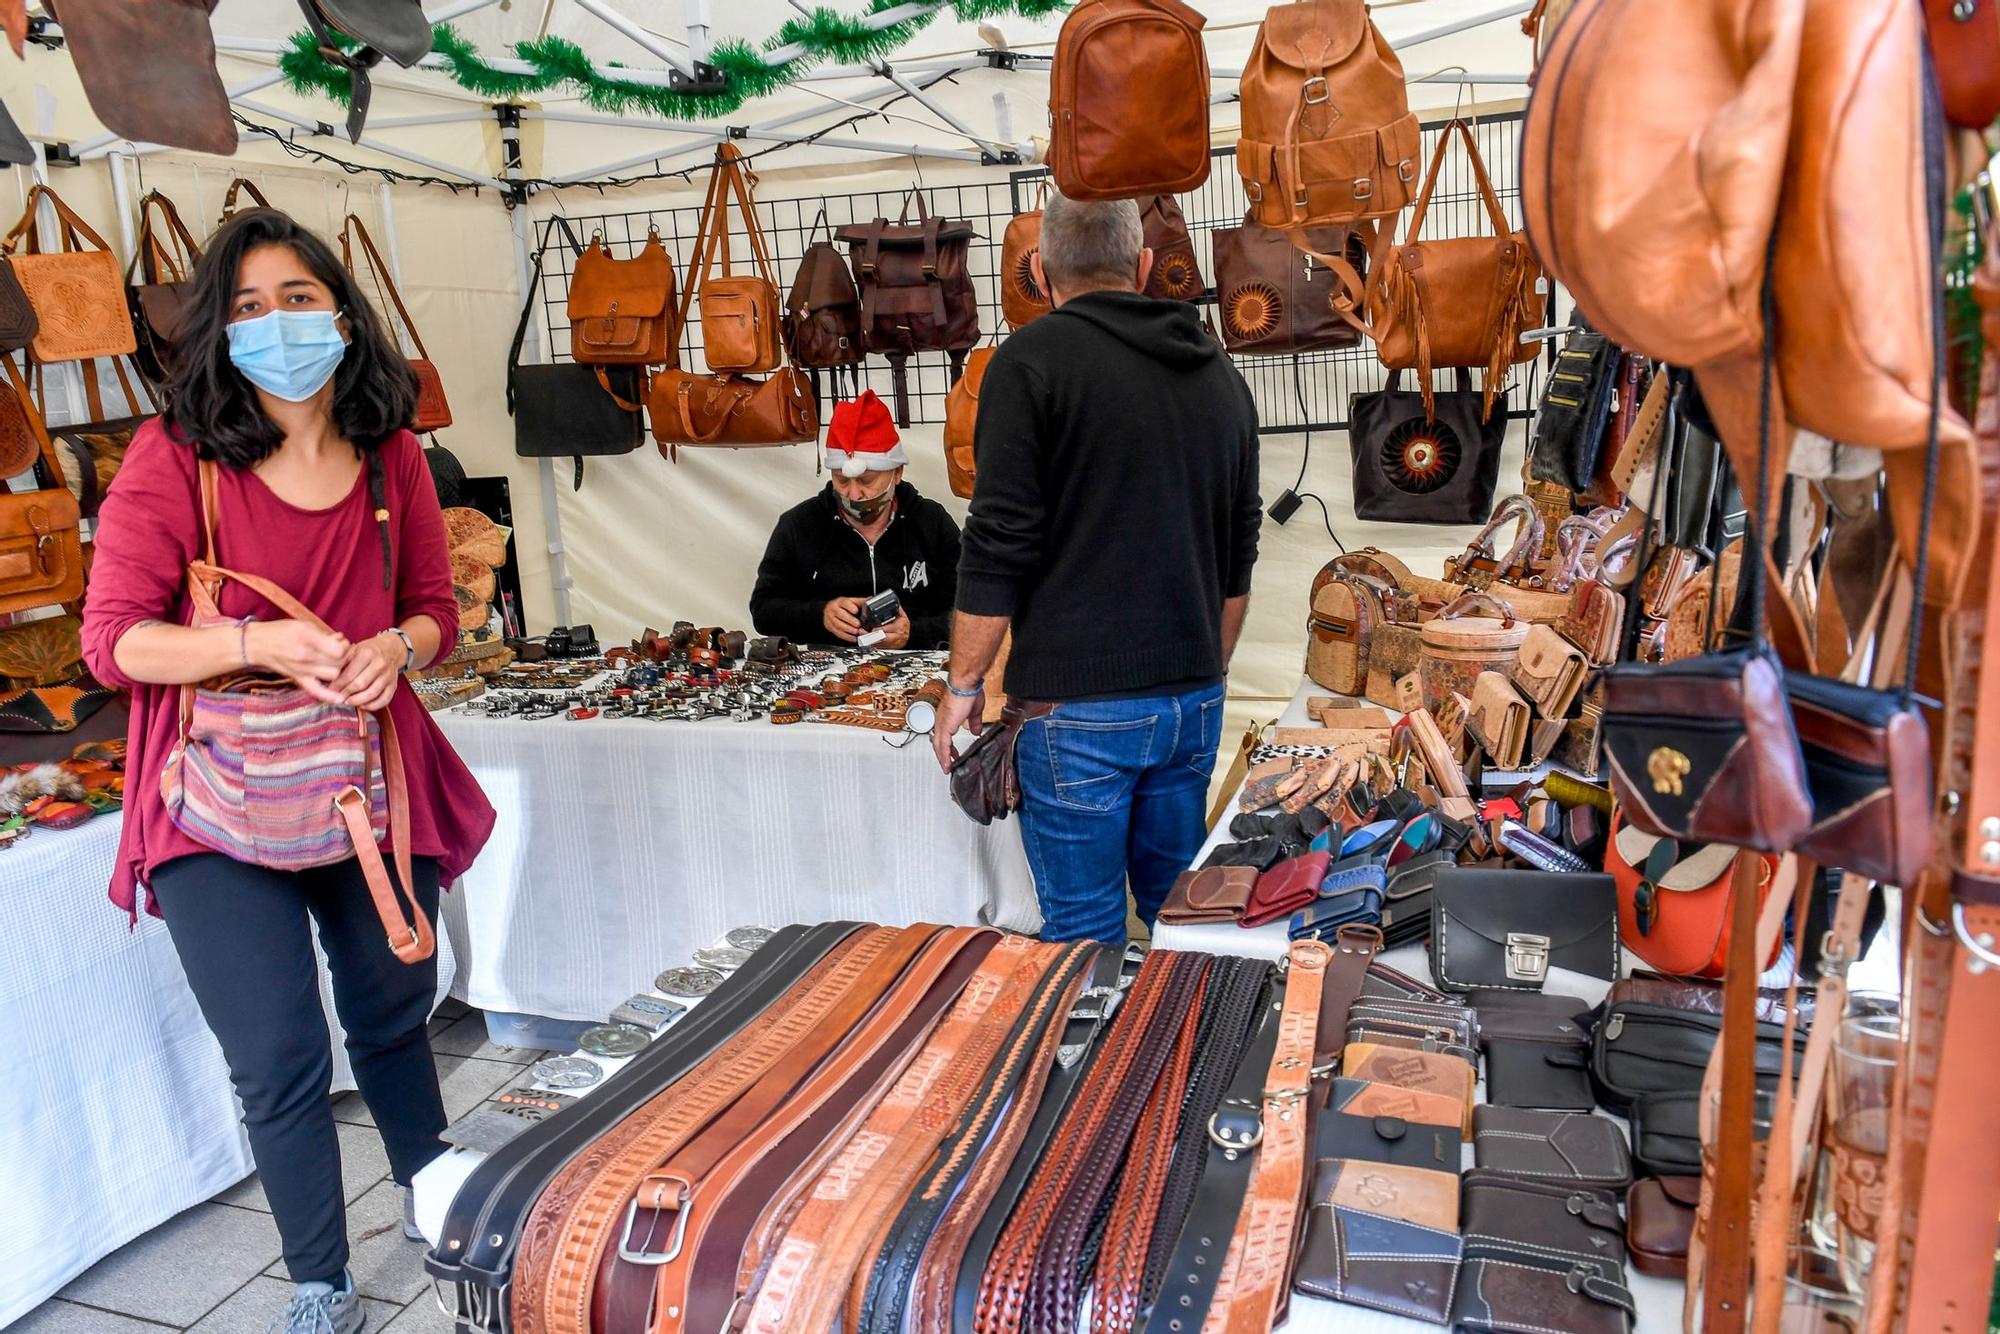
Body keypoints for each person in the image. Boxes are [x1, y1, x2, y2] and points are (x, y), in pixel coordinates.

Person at [80, 208, 495, 1334]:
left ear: (343, 313)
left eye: (299, 297)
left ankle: (434, 1196)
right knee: (274, 1051)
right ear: (219, 331)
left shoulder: (392, 454)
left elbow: (435, 609)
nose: (278, 323)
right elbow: (112, 638)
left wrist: (394, 649)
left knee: (391, 1011)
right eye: (250, 306)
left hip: (368, 771)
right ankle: (319, 1276)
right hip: (218, 793)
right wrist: (253, 643)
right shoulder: (177, 460)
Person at [931, 193, 1262, 944]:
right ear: (1144, 266)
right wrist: (1207, 668)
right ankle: (1188, 1057)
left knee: (1083, 932)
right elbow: (1239, 551)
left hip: (1076, 710)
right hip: (1190, 700)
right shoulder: (1217, 368)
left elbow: (997, 542)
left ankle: (1100, 1067)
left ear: (1041, 273)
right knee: (1185, 923)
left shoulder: (1028, 363)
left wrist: (962, 687)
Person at [749, 388, 961, 648]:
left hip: (920, 672)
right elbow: (764, 610)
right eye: (841, 479)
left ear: (897, 473)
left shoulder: (932, 523)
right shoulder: (799, 525)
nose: (854, 493)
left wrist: (914, 633)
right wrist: (821, 615)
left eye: (867, 480)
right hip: (824, 676)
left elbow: (971, 608)